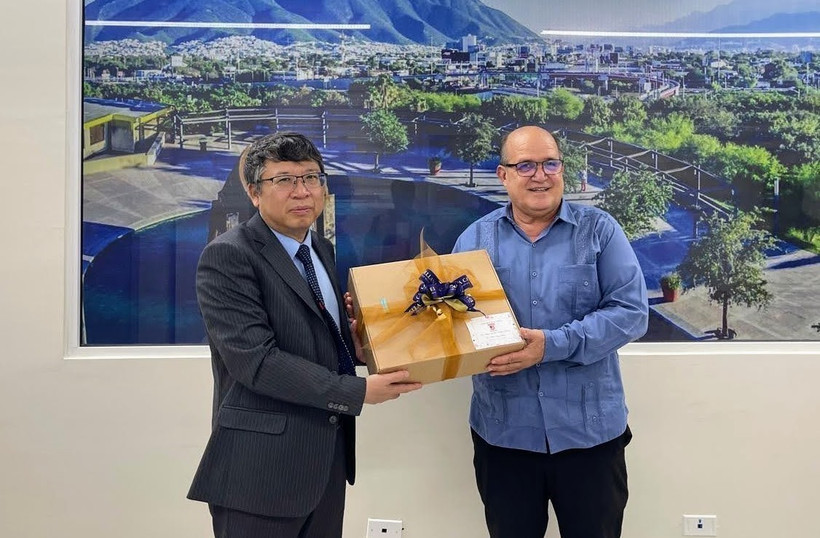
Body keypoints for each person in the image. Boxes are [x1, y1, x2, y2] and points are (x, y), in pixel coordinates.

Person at [188, 132, 422, 538]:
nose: (302, 191)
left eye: (312, 178)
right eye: (284, 180)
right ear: (254, 191)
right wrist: (358, 392)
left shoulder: (320, 249)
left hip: (324, 463)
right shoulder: (229, 255)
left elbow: (319, 339)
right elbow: (256, 363)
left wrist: (360, 348)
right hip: (259, 473)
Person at [452, 126, 648, 538]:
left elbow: (631, 312)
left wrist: (550, 346)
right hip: (504, 437)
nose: (540, 175)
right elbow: (450, 322)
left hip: (590, 436)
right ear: (503, 175)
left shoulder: (600, 231)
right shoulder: (474, 240)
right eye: (525, 165)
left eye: (550, 163)